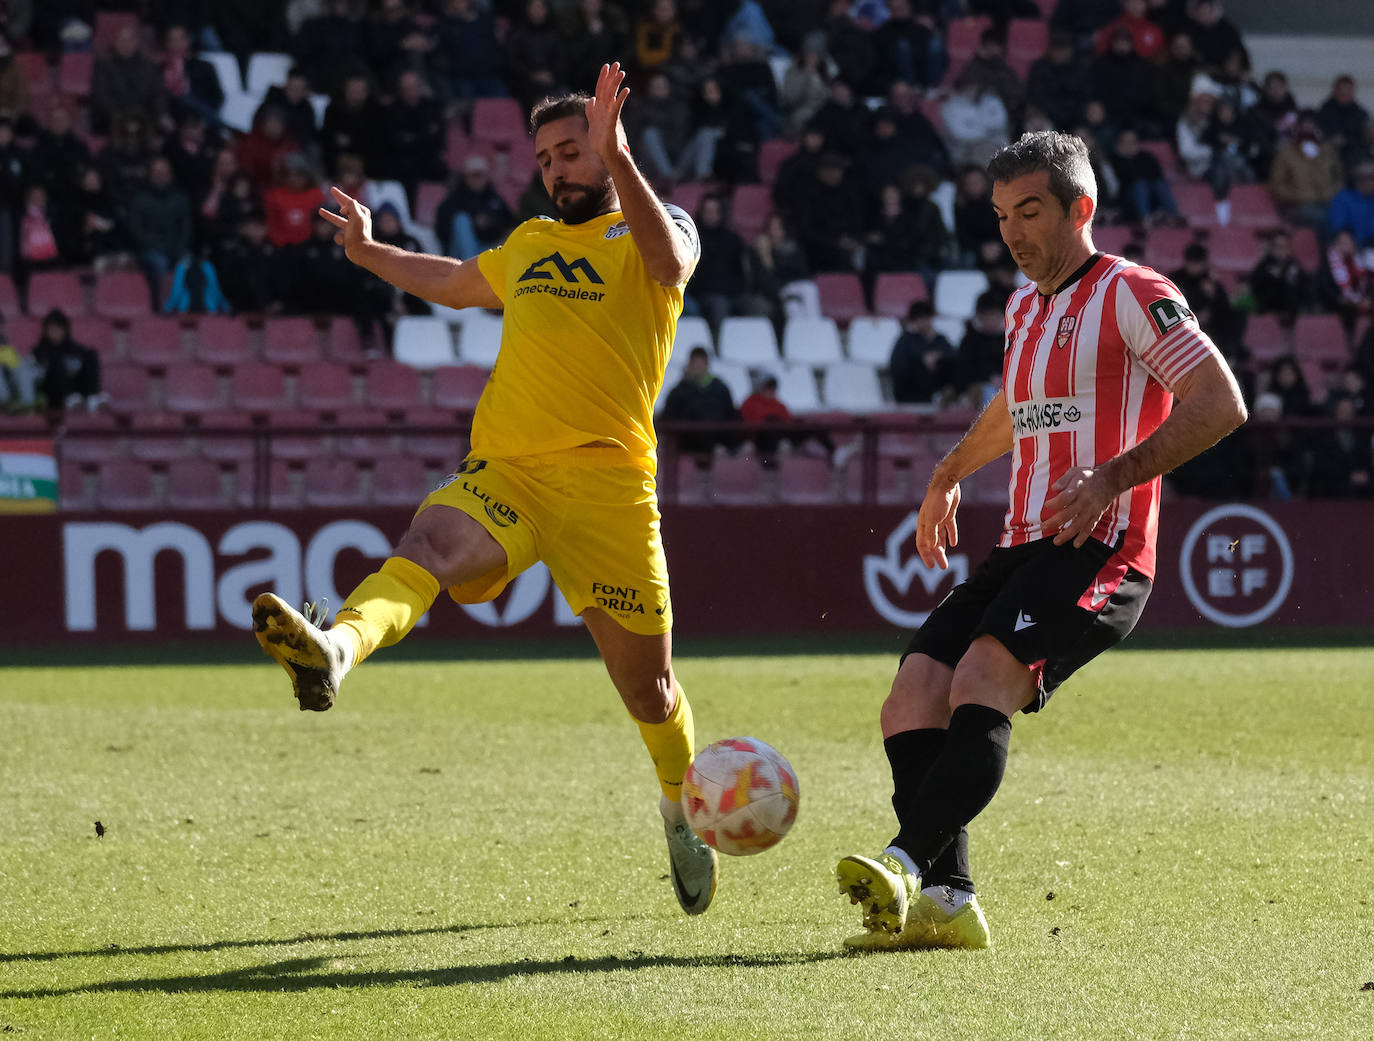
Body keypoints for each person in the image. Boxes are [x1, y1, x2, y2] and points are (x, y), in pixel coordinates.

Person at [251, 63, 719, 918]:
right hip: (507, 472)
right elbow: (456, 282)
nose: (555, 170)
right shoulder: (532, 243)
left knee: (650, 692)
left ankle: (675, 804)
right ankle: (336, 650)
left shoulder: (658, 226)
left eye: (570, 152)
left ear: (609, 149)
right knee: (424, 547)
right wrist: (366, 252)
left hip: (611, 488)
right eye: (544, 158)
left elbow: (671, 258)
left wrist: (618, 160)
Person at [832, 131, 1247, 952]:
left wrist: (1112, 477)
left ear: (1079, 208)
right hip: (1022, 544)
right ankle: (948, 900)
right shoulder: (1027, 304)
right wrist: (947, 471)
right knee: (913, 691)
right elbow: (1018, 407)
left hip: (1105, 546)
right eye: (999, 216)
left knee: (984, 676)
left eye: (1030, 211)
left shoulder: (1133, 292)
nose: (1012, 232)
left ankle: (906, 861)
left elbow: (1220, 399)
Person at [660, 344, 738, 456]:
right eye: (695, 363)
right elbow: (669, 416)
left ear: (707, 364)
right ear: (690, 365)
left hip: (715, 440)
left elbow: (730, 414)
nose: (698, 367)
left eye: (701, 363)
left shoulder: (720, 388)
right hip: (688, 442)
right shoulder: (679, 391)